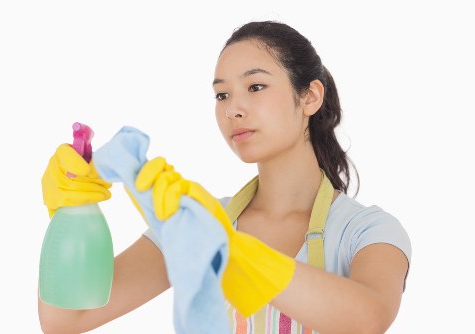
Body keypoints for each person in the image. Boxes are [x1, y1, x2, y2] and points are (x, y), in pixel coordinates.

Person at [38, 21, 411, 334]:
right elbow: (66, 318)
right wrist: (72, 214)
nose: (233, 109)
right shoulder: (196, 224)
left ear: (310, 96)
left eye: (256, 87)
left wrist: (231, 251)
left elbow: (369, 316)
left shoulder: (366, 230)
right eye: (222, 95)